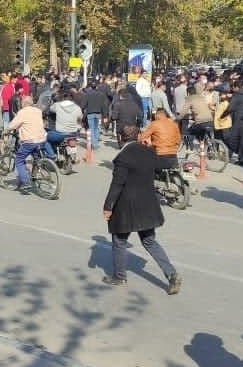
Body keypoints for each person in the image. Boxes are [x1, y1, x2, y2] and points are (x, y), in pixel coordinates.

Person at [101, 125, 183, 294]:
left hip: (126, 205)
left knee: (119, 240)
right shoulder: (148, 152)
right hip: (147, 203)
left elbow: (117, 184)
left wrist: (108, 206)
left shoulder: (122, 157)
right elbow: (159, 167)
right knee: (149, 241)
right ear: (138, 135)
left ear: (121, 138)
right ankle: (172, 274)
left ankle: (119, 276)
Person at [6, 94, 48, 192]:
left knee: (19, 160)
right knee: (36, 157)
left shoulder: (22, 112)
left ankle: (26, 181)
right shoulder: (38, 111)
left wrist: (6, 130)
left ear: (23, 103)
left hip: (29, 141)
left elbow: (12, 125)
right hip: (41, 139)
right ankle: (36, 173)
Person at [44, 90, 83, 159]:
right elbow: (80, 117)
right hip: (73, 133)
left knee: (44, 138)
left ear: (63, 98)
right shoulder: (77, 108)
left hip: (60, 133)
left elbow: (50, 109)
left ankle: (51, 155)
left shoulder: (57, 105)